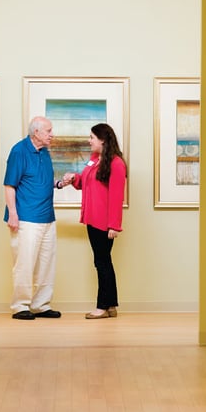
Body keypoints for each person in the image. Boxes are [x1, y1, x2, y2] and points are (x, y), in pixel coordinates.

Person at [4, 116, 67, 320]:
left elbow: (42, 181)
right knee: (24, 263)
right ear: (36, 133)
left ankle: (41, 304)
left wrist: (59, 184)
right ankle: (20, 306)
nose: (52, 134)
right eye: (48, 131)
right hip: (26, 218)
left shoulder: (45, 152)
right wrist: (13, 214)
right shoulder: (19, 151)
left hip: (47, 217)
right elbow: (9, 185)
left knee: (46, 263)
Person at [63, 123, 126, 319]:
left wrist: (114, 225)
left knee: (102, 262)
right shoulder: (95, 160)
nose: (89, 141)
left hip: (104, 223)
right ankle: (111, 306)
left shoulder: (116, 164)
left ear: (103, 140)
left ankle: (102, 306)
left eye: (92, 137)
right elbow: (85, 182)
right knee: (104, 262)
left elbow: (116, 197)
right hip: (92, 219)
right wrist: (74, 177)